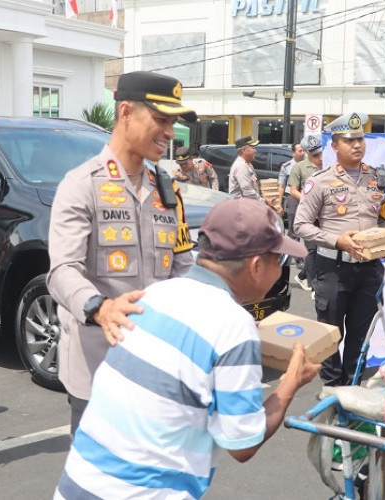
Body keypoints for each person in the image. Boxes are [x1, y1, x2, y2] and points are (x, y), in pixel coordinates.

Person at [54, 198, 319, 500]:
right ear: (256, 266)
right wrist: (290, 383)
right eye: (278, 260)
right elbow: (242, 444)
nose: (279, 269)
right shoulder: (232, 324)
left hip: (76, 488)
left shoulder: (155, 294)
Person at [47, 71, 196, 434]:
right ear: (126, 112)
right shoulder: (81, 185)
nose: (170, 132)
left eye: (173, 122)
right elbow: (62, 271)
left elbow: (182, 268)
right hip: (98, 365)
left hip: (156, 365)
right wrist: (101, 308)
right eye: (161, 119)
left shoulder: (166, 190)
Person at [294, 112, 385, 386]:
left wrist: (383, 243)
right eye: (348, 140)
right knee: (330, 336)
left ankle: (352, 390)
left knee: (360, 336)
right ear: (334, 145)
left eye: (360, 139)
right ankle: (332, 391)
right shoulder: (320, 181)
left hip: (369, 270)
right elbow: (301, 225)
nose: (357, 145)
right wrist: (337, 240)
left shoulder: (380, 179)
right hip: (332, 269)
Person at [288, 134, 324, 294]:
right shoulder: (299, 167)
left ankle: (303, 275)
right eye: (316, 154)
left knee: (321, 248)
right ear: (308, 153)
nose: (319, 157)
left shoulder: (327, 165)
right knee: (311, 249)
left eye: (320, 153)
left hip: (323, 214)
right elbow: (293, 190)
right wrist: (309, 201)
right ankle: (314, 286)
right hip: (307, 214)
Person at [277, 143, 305, 223]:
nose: (302, 153)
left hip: (306, 197)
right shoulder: (286, 166)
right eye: (300, 151)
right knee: (292, 224)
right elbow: (281, 187)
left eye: (303, 151)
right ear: (293, 153)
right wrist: (279, 204)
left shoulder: (309, 165)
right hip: (292, 198)